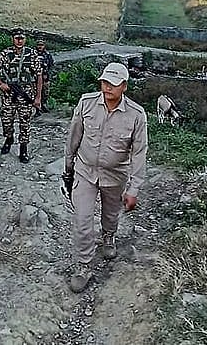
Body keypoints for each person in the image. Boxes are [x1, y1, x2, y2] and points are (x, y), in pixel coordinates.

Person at [63, 62, 148, 293]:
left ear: (124, 86)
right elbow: (73, 137)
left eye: (113, 83)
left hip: (115, 175)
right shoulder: (87, 103)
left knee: (110, 215)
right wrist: (68, 168)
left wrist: (134, 188)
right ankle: (83, 266)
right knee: (82, 220)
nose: (107, 87)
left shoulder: (136, 115)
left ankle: (108, 237)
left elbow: (139, 153)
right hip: (85, 171)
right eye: (104, 82)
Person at [0, 28, 43, 162]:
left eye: (22, 38)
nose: (19, 41)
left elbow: (39, 76)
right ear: (12, 39)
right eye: (16, 38)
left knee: (25, 122)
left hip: (26, 94)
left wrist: (38, 97)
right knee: (6, 120)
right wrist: (0, 84)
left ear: (25, 39)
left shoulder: (32, 54)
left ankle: (23, 149)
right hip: (9, 93)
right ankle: (9, 138)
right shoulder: (5, 54)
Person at [36, 40, 55, 113]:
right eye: (38, 45)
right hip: (35, 78)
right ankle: (37, 109)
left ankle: (43, 105)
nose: (40, 46)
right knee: (36, 93)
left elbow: (51, 65)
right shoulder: (33, 54)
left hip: (45, 77)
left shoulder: (47, 55)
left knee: (45, 93)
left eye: (41, 45)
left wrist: (47, 74)